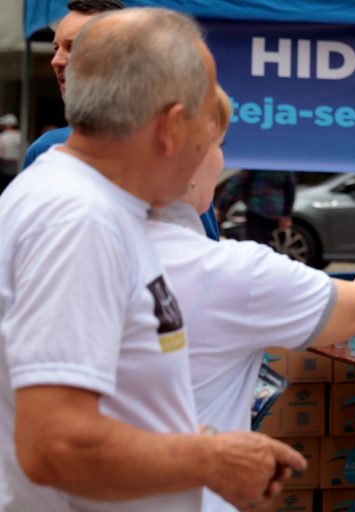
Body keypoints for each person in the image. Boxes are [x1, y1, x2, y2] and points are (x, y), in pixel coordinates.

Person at [0, 8, 305, 511]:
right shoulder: (81, 221)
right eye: (210, 129)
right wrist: (212, 459)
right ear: (171, 127)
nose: (215, 152)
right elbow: (56, 445)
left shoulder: (92, 202)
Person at [148, 85, 355, 512]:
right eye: (219, 146)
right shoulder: (231, 270)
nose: (223, 161)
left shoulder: (92, 241)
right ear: (186, 156)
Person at [22, 0, 222, 241]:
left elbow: (202, 251)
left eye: (73, 47)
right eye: (56, 48)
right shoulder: (46, 150)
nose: (56, 60)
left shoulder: (171, 146)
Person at [215, 169, 296, 246]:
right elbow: (290, 190)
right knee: (270, 244)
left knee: (257, 245)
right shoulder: (282, 163)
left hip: (257, 210)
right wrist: (286, 214)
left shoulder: (257, 161)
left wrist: (220, 206)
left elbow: (236, 183)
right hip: (275, 212)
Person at [0, 113, 21, 192]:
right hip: (18, 171)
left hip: (4, 172)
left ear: (6, 125)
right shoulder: (22, 136)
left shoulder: (2, 137)